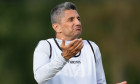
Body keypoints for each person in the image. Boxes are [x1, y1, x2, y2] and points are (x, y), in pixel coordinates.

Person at [33, 2, 127, 84]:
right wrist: (64, 58)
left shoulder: (92, 47)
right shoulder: (46, 46)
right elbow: (39, 78)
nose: (78, 23)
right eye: (71, 19)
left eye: (78, 19)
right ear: (57, 27)